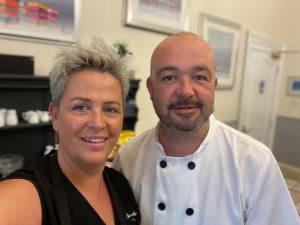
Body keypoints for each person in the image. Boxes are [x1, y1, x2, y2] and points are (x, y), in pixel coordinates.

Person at [113, 32, 300, 225]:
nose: (186, 91)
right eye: (169, 78)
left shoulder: (255, 163)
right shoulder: (127, 159)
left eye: (199, 77)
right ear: (151, 89)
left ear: (214, 86)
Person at [0, 39, 140, 225]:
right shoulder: (25, 194)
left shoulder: (121, 184)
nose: (97, 123)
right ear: (55, 115)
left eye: (110, 109)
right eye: (81, 107)